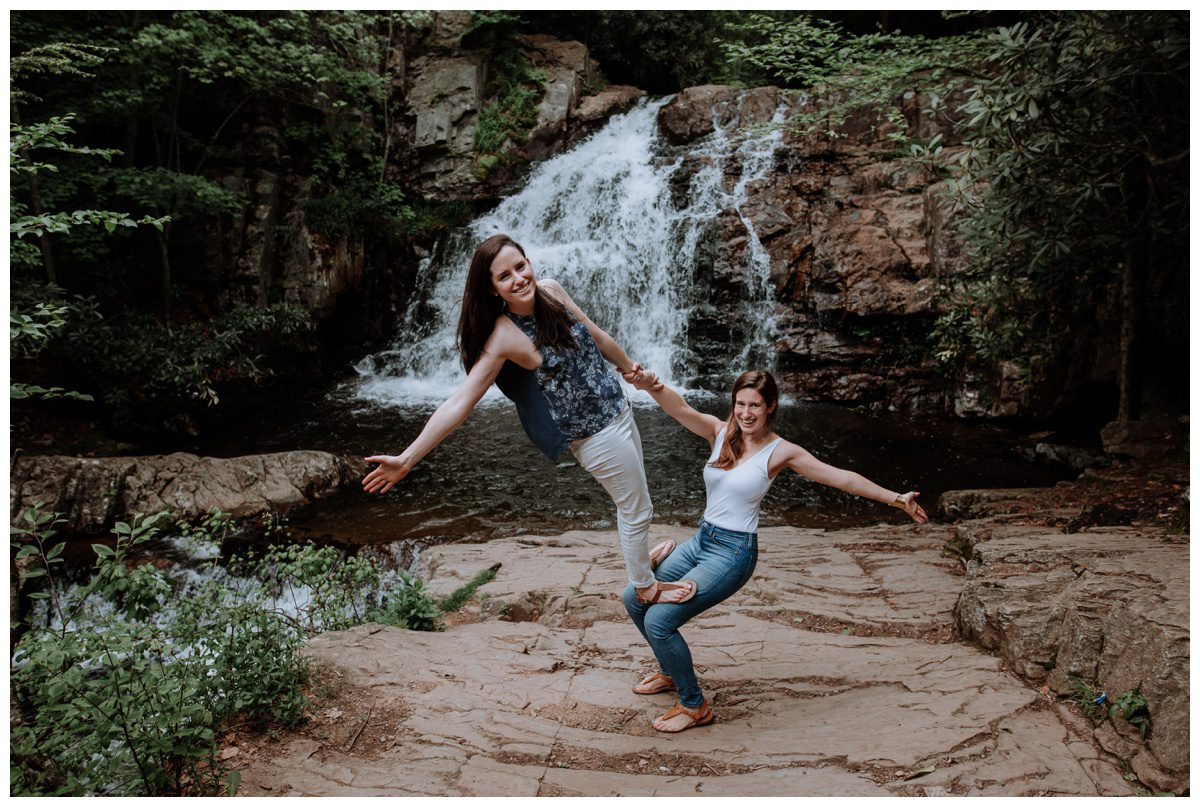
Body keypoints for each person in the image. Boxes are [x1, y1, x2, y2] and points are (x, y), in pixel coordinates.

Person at [362, 234, 693, 604]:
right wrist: (407, 459)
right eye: (504, 276)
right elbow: (459, 402)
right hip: (595, 437)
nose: (518, 279)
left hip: (619, 408)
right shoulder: (505, 336)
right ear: (492, 289)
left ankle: (639, 561)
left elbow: (599, 337)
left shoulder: (552, 290)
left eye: (520, 267)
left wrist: (634, 372)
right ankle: (645, 588)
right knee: (637, 507)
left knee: (635, 500)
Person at [622, 369, 928, 733]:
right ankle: (671, 672)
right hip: (702, 540)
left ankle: (694, 705)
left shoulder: (781, 451)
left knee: (660, 620)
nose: (746, 413)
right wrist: (651, 386)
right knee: (633, 597)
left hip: (733, 554)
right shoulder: (719, 433)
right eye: (740, 404)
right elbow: (679, 408)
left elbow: (840, 476)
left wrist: (896, 499)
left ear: (771, 408)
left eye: (755, 406)